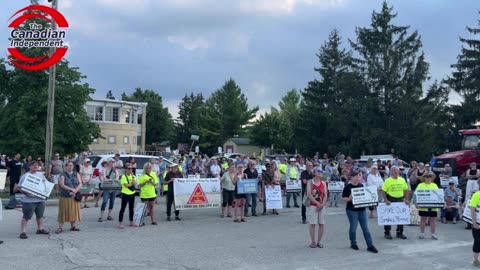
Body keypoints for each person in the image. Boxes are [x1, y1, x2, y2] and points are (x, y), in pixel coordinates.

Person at [342, 172, 378, 253]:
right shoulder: (347, 187)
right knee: (353, 228)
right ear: (352, 178)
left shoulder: (361, 185)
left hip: (362, 210)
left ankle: (370, 245)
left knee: (366, 229)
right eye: (356, 177)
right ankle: (353, 243)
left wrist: (370, 203)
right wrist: (349, 198)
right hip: (351, 210)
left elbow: (365, 197)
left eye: (359, 177)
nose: (358, 179)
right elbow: (344, 198)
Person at [14, 161, 50, 239]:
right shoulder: (25, 176)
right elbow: (19, 187)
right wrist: (26, 194)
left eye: (37, 165)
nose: (35, 167)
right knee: (26, 216)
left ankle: (40, 229)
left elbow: (46, 185)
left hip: (40, 200)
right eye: (33, 165)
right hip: (28, 201)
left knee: (40, 215)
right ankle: (23, 232)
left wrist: (45, 183)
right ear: (30, 166)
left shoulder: (41, 175)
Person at [381, 166, 409, 239]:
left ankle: (400, 233)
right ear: (391, 172)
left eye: (397, 171)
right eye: (394, 171)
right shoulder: (387, 180)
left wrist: (406, 199)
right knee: (388, 217)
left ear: (399, 171)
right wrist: (386, 200)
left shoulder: (402, 180)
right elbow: (383, 191)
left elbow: (406, 190)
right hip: (391, 198)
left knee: (400, 217)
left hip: (400, 199)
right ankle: (387, 232)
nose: (395, 172)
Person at [56, 161, 82, 234]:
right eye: (69, 165)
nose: (71, 167)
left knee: (74, 211)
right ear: (66, 166)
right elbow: (62, 184)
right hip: (65, 196)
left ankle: (73, 226)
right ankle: (60, 227)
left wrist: (76, 190)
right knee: (63, 211)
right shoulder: (63, 174)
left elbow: (80, 183)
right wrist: (71, 189)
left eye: (72, 165)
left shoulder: (76, 173)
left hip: (75, 196)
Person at [306, 167, 327, 248]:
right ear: (314, 173)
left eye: (321, 171)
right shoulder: (310, 182)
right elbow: (309, 194)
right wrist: (317, 203)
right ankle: (313, 241)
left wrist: (322, 204)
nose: (320, 172)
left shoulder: (323, 183)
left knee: (322, 223)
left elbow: (325, 194)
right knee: (312, 224)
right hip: (313, 205)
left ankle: (319, 241)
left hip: (322, 206)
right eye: (319, 171)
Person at [415, 171, 439, 240]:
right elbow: (415, 194)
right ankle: (422, 233)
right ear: (424, 178)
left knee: (433, 220)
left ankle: (433, 234)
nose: (429, 178)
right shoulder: (420, 185)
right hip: (423, 206)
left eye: (430, 176)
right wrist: (415, 202)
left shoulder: (435, 185)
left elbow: (439, 195)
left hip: (433, 206)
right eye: (427, 176)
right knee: (423, 219)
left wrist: (443, 202)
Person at [118, 164, 137, 228]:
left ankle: (131, 222)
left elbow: (135, 183)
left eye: (131, 168)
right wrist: (132, 183)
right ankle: (120, 223)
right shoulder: (123, 176)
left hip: (132, 193)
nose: (130, 170)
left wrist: (132, 180)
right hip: (125, 194)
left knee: (131, 208)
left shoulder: (133, 176)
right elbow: (126, 185)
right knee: (123, 208)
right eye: (128, 168)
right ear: (126, 169)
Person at [469, 182, 480, 267]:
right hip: (477, 223)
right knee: (477, 242)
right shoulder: (477, 195)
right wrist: (474, 222)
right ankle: (476, 260)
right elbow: (472, 209)